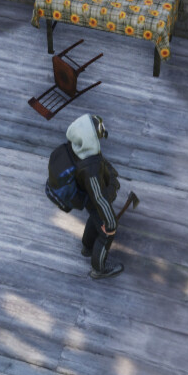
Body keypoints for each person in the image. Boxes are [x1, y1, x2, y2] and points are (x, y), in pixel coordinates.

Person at [64, 113, 124, 279]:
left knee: (95, 216)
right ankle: (99, 269)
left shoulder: (77, 148)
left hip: (86, 195)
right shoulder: (90, 167)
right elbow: (99, 197)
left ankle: (87, 247)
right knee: (107, 231)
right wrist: (111, 222)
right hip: (93, 197)